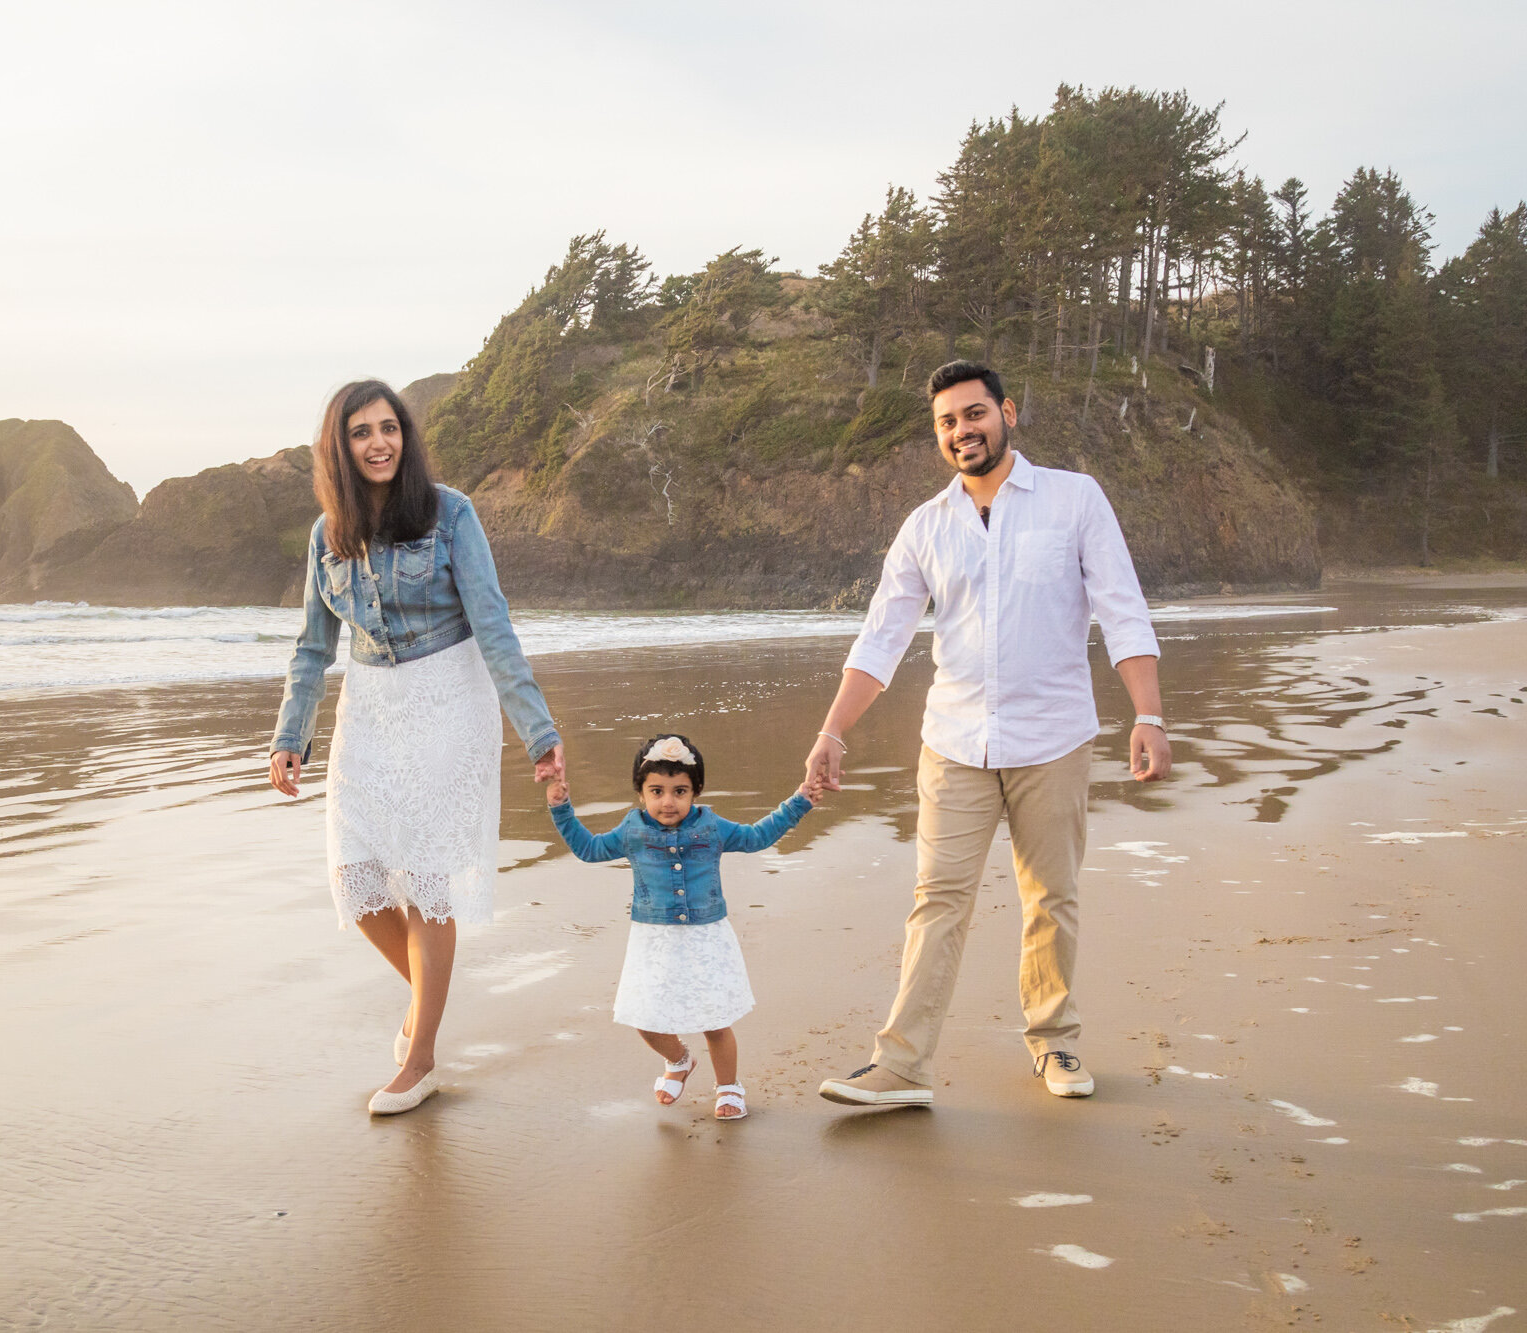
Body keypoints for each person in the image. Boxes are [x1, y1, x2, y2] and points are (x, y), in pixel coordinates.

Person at [810, 360, 1172, 1109]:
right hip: (954, 742)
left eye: (973, 414)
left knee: (1051, 897)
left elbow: (1122, 609)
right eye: (946, 421)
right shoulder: (926, 527)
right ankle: (902, 1065)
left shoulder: (1075, 500)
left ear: (1006, 411)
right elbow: (882, 638)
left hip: (1055, 737)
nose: (961, 430)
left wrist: (1149, 713)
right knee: (936, 898)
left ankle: (1055, 1039)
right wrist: (832, 731)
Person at [270, 379, 564, 1116]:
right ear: (339, 448)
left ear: (406, 435)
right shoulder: (326, 534)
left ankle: (422, 1053)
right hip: (369, 708)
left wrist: (538, 730)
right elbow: (312, 646)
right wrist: (289, 737)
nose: (378, 443)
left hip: (447, 696)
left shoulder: (450, 513)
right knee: (356, 875)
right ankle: (428, 999)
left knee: (428, 876)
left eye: (389, 428)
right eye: (361, 432)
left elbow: (493, 627)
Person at [546, 734, 818, 1121]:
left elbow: (757, 836)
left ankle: (728, 1087)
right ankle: (679, 1061)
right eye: (656, 791)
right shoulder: (632, 830)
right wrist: (561, 808)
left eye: (680, 791)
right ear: (641, 792)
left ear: (696, 792)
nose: (668, 801)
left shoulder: (712, 826)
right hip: (652, 940)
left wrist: (800, 801)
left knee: (714, 1021)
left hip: (707, 937)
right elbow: (589, 849)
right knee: (644, 1018)